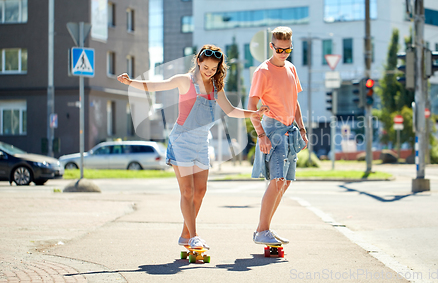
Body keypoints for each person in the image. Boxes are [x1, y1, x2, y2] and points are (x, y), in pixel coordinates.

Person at [117, 45, 268, 250]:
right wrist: (130, 82)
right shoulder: (184, 81)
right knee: (187, 191)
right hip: (182, 141)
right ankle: (194, 235)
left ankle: (185, 235)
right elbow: (156, 86)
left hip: (201, 142)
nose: (209, 71)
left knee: (201, 191)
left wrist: (253, 113)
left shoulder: (216, 87)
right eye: (206, 67)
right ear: (198, 61)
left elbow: (230, 111)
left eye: (213, 69)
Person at [248, 26, 308, 246]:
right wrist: (261, 134)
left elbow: (295, 102)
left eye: (287, 50)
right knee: (277, 179)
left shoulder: (291, 69)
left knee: (286, 182)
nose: (283, 53)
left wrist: (302, 129)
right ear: (271, 46)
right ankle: (262, 230)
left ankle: (264, 229)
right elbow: (251, 105)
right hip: (272, 130)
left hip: (290, 130)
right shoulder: (262, 71)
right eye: (279, 49)